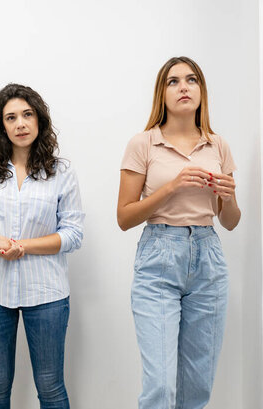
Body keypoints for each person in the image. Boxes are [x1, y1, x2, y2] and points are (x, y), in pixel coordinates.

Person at [117, 56, 241, 409]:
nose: (183, 87)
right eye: (173, 81)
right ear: (163, 93)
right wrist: (171, 187)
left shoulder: (218, 146)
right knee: (160, 388)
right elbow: (124, 217)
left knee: (197, 388)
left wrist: (227, 198)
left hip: (208, 258)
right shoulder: (143, 143)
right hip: (159, 256)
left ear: (201, 91)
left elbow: (230, 220)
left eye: (191, 80)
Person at [0, 83, 84, 409]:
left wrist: (24, 246)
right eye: (11, 117)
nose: (20, 123)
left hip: (46, 293)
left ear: (39, 120)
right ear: (1, 126)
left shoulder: (61, 172)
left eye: (27, 114)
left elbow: (73, 233)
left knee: (50, 386)